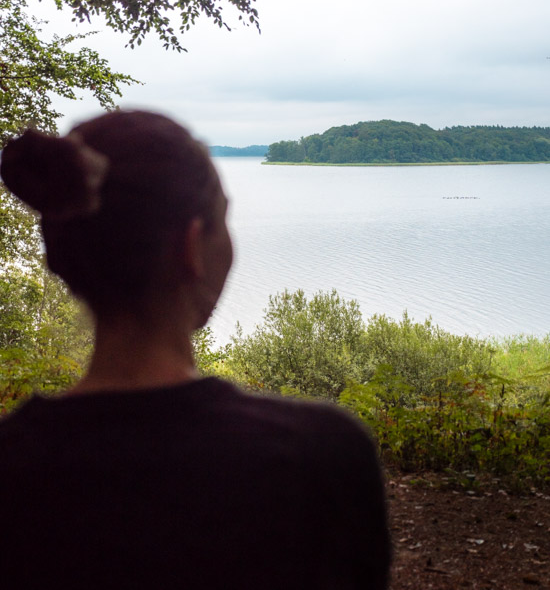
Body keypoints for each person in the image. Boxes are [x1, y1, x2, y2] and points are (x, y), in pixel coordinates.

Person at [0, 110, 390, 589]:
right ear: (191, 247)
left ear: (63, 259)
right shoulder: (319, 457)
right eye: (224, 219)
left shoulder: (13, 465)